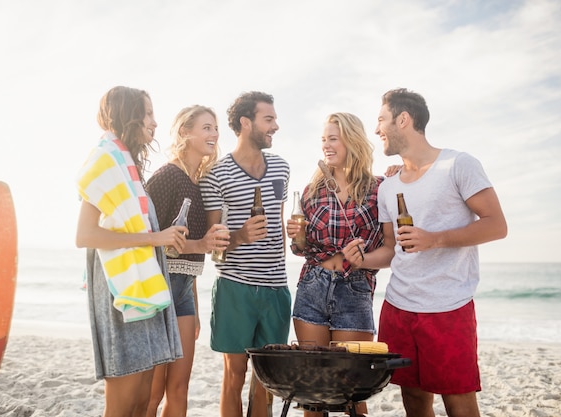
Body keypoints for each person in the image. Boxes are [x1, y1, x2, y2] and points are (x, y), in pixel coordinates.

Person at [374, 88, 508, 417]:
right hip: (399, 306)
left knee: (459, 403)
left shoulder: (458, 164)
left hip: (448, 307)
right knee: (414, 400)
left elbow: (497, 225)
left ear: (403, 120)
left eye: (381, 120)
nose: (376, 130)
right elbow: (392, 249)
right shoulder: (387, 186)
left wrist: (434, 239)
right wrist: (357, 259)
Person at [75, 86, 186, 417]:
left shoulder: (128, 168)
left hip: (141, 293)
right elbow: (85, 235)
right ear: (129, 115)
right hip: (121, 295)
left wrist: (166, 240)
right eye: (148, 113)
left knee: (141, 401)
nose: (154, 122)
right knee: (124, 403)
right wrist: (157, 239)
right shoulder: (105, 162)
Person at [286, 112, 396, 417]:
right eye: (323, 140)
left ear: (352, 140)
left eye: (332, 139)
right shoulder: (312, 191)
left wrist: (362, 260)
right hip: (312, 287)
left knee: (353, 390)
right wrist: (297, 237)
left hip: (355, 289)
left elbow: (391, 250)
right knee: (312, 392)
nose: (326, 145)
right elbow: (302, 249)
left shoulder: (379, 188)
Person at [200, 91, 291, 417]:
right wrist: (239, 236)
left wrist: (297, 241)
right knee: (234, 374)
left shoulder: (281, 168)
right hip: (235, 286)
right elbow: (213, 240)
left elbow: (279, 223)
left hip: (276, 287)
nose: (276, 126)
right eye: (269, 119)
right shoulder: (216, 175)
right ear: (245, 122)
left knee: (266, 379)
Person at [145, 105, 229, 417]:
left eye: (215, 128)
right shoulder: (166, 177)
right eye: (206, 127)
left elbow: (188, 257)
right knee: (152, 393)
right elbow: (151, 243)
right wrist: (202, 243)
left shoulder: (197, 182)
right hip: (159, 289)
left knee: (180, 387)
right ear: (185, 132)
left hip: (184, 293)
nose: (214, 134)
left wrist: (191, 302)